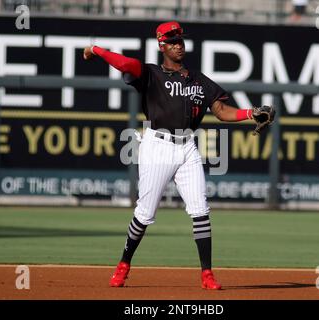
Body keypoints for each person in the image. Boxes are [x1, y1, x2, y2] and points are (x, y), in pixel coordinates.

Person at [83, 21, 275, 289]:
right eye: (172, 41)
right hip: (157, 145)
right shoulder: (150, 74)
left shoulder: (198, 80)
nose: (178, 45)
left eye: (180, 41)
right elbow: (126, 65)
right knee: (145, 213)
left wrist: (249, 113)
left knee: (200, 210)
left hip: (187, 147)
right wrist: (96, 50)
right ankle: (124, 264)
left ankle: (207, 275)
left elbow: (221, 111)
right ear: (161, 45)